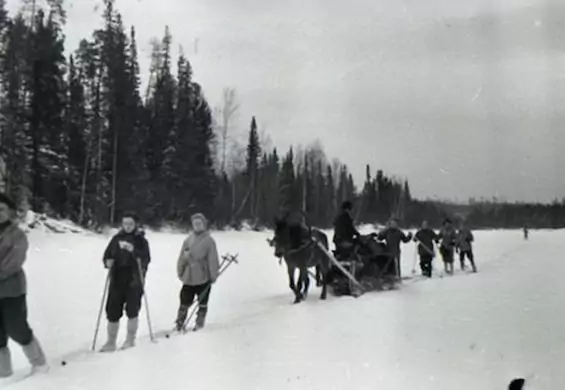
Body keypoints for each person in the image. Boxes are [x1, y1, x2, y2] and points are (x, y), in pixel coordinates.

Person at [0, 193, 47, 377]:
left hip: (12, 290)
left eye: (2, 210)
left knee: (17, 328)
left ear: (10, 212)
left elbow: (13, 263)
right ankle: (4, 373)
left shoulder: (17, 235)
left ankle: (39, 363)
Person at [100, 212, 150, 352]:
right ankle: (110, 341)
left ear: (135, 225)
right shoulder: (116, 239)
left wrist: (134, 251)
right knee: (112, 309)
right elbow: (107, 255)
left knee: (132, 309)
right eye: (125, 224)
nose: (127, 226)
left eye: (130, 224)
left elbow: (146, 258)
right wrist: (107, 262)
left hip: (134, 278)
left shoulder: (141, 240)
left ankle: (130, 339)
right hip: (117, 277)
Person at [175, 213, 220, 332]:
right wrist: (180, 271)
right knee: (184, 299)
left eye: (199, 224)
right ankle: (180, 322)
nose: (197, 226)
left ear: (204, 224)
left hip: (203, 275)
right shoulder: (188, 240)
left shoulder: (209, 241)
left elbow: (213, 259)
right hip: (189, 276)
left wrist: (213, 275)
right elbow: (182, 257)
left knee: (203, 300)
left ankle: (199, 323)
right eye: (195, 224)